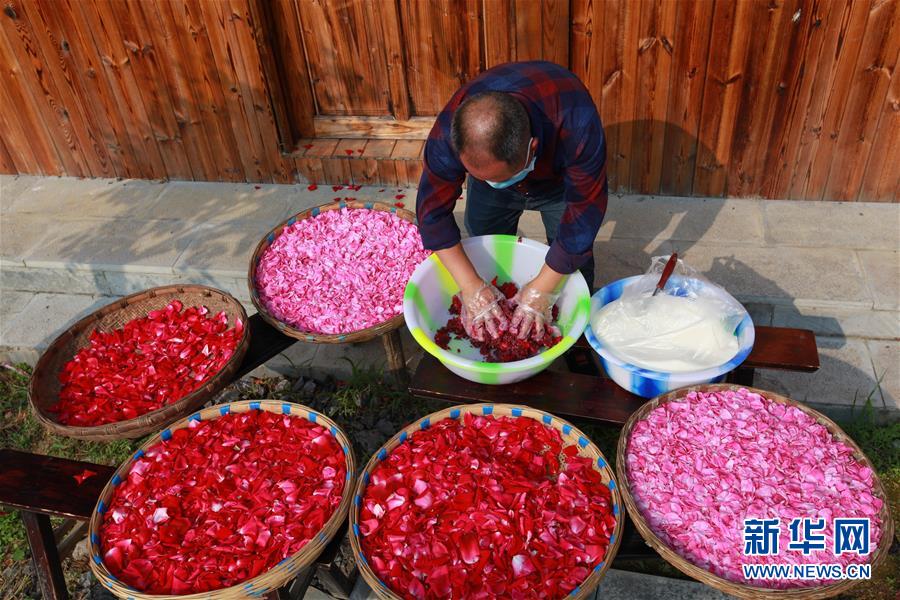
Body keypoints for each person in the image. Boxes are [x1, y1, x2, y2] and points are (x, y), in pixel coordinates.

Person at [415, 61, 608, 342]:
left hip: (557, 183)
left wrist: (542, 290)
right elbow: (432, 214)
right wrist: (471, 286)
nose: (497, 182)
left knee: (573, 257)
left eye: (500, 177)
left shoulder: (576, 122)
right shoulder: (449, 135)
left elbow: (583, 215)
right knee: (486, 242)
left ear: (532, 147)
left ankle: (578, 341)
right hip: (495, 185)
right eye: (477, 175)